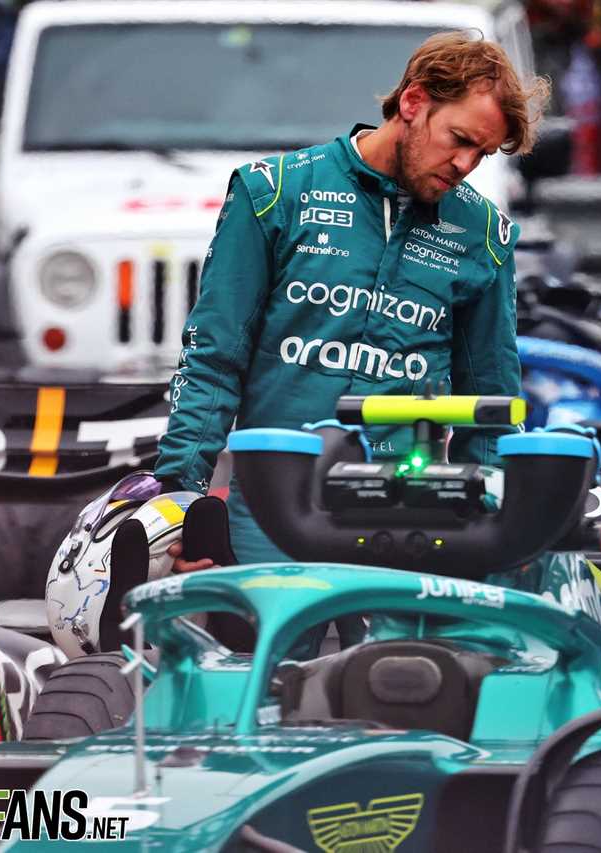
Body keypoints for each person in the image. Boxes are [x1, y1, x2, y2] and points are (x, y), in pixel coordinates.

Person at [151, 31, 549, 654]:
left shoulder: (486, 234)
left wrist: (491, 530)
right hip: (272, 506)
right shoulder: (275, 191)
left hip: (409, 515)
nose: (468, 165)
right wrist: (179, 494)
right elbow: (213, 357)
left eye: (485, 153)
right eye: (462, 140)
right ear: (413, 102)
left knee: (403, 706)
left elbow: (491, 402)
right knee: (256, 708)